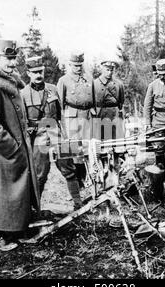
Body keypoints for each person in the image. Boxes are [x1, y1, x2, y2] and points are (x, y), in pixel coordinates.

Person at [0, 39, 40, 251]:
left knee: (15, 192)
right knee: (2, 194)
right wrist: (12, 148)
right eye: (8, 59)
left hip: (16, 149)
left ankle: (16, 228)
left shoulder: (11, 81)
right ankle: (2, 235)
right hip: (2, 153)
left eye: (14, 59)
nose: (13, 63)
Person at [21, 56, 82, 210]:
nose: (38, 75)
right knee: (39, 175)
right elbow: (23, 121)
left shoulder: (53, 89)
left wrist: (66, 137)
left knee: (69, 169)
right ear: (28, 73)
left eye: (40, 71)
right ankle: (35, 208)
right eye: (34, 72)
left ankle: (78, 203)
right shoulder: (23, 94)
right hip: (38, 136)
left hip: (56, 133)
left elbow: (60, 115)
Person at [57, 51, 96, 188]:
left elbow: (94, 99)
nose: (78, 68)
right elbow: (59, 104)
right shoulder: (64, 80)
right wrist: (61, 123)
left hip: (86, 116)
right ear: (70, 65)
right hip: (71, 117)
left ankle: (86, 178)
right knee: (73, 149)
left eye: (80, 65)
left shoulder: (89, 79)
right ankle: (75, 181)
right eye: (75, 65)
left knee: (86, 148)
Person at [93, 60, 125, 141]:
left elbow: (121, 101)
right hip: (100, 113)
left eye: (111, 70)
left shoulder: (119, 84)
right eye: (107, 70)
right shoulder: (95, 83)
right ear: (102, 70)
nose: (110, 72)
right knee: (101, 138)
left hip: (115, 113)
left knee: (117, 138)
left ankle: (118, 153)